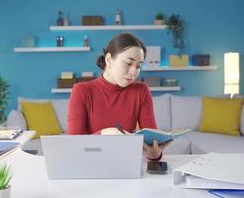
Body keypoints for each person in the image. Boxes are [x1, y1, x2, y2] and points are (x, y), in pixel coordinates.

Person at [67, 33, 171, 161]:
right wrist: (107, 133)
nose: (134, 72)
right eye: (128, 63)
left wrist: (155, 154)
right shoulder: (82, 91)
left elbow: (152, 142)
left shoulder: (141, 91)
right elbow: (72, 146)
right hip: (90, 162)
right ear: (109, 60)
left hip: (127, 162)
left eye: (138, 66)